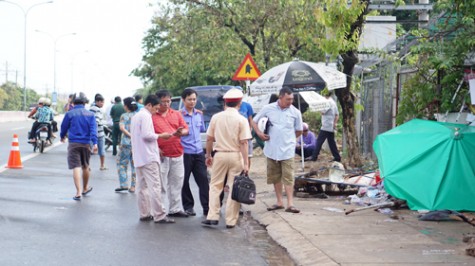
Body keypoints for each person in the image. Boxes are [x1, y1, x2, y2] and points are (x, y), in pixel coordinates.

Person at [202, 88, 251, 229]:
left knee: (215, 186)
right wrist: (246, 163)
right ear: (239, 103)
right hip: (236, 155)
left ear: (225, 103)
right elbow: (244, 143)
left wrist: (208, 155)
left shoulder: (216, 117)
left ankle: (212, 216)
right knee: (233, 187)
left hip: (220, 154)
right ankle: (230, 220)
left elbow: (209, 139)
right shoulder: (241, 119)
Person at [252, 87, 303, 214]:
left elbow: (299, 130)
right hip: (271, 148)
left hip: (287, 149)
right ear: (280, 97)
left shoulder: (295, 112)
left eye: (292, 99)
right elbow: (254, 121)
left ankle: (290, 203)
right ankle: (279, 201)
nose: (290, 101)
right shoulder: (268, 108)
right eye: (288, 99)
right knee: (275, 176)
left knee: (288, 176)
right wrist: (259, 133)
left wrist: (289, 138)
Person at [130, 94, 174, 223]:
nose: (156, 111)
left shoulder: (136, 116)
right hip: (149, 156)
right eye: (155, 108)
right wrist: (161, 135)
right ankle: (159, 215)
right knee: (155, 186)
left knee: (142, 187)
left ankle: (144, 213)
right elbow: (146, 135)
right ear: (149, 105)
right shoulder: (146, 116)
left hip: (139, 156)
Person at [152, 90, 190, 218]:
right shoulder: (152, 116)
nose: (166, 104)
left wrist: (181, 132)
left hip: (177, 152)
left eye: (168, 101)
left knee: (177, 182)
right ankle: (160, 210)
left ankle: (175, 208)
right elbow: (148, 135)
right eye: (163, 102)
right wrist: (156, 148)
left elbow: (185, 128)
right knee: (161, 184)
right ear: (157, 102)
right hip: (161, 155)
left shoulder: (176, 114)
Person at [60, 92, 97, 201]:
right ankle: (85, 188)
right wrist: (94, 143)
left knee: (76, 167)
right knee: (85, 166)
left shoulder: (70, 114)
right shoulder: (90, 114)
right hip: (86, 144)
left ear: (74, 103)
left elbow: (63, 127)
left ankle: (78, 192)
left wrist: (62, 136)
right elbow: (93, 130)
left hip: (73, 144)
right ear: (85, 103)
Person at [180, 88, 209, 216]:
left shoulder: (199, 114)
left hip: (198, 153)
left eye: (194, 99)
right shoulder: (178, 115)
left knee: (203, 180)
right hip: (185, 153)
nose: (192, 102)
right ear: (183, 100)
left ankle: (207, 207)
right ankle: (188, 206)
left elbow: (202, 130)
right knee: (184, 181)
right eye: (189, 99)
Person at [310, 91, 341, 163]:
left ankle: (314, 156)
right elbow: (337, 115)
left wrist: (317, 107)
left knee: (319, 141)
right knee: (331, 142)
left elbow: (322, 112)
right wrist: (334, 123)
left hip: (326, 126)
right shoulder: (333, 102)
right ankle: (337, 157)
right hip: (330, 125)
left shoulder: (327, 103)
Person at [115, 97, 138, 193]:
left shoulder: (124, 116)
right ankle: (133, 186)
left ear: (126, 106)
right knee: (135, 165)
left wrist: (130, 135)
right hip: (137, 143)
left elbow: (122, 128)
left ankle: (124, 184)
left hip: (126, 143)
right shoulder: (138, 115)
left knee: (122, 164)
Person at [89, 94, 107, 170]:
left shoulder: (90, 109)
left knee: (89, 151)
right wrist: (95, 134)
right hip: (98, 134)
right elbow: (95, 123)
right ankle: (102, 165)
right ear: (98, 102)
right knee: (102, 150)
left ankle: (88, 166)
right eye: (102, 102)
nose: (103, 104)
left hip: (90, 133)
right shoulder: (98, 110)